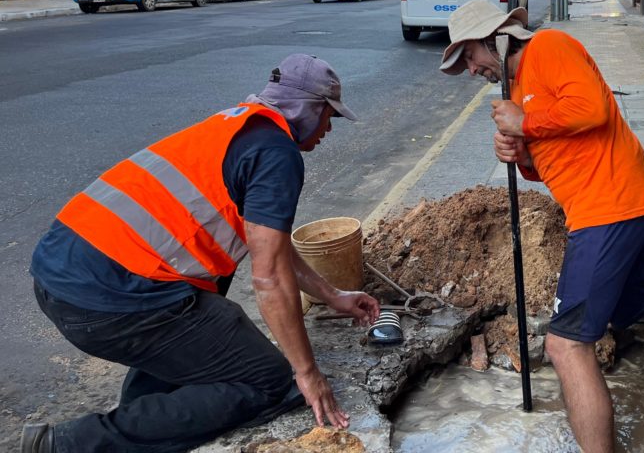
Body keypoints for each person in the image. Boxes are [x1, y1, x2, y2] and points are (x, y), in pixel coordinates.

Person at [23, 54, 380, 453]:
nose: (329, 128)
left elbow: (272, 248)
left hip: (62, 274)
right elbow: (269, 277)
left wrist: (332, 296)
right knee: (267, 381)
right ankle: (66, 445)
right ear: (308, 109)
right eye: (329, 115)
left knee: (205, 314)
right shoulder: (276, 154)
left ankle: (141, 414)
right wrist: (307, 372)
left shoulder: (234, 125)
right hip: (108, 296)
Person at [440, 0, 644, 453]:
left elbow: (592, 109)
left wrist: (525, 122)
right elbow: (556, 158)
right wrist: (522, 154)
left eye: (470, 56)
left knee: (565, 347)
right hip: (624, 206)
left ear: (494, 39)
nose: (472, 70)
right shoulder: (519, 87)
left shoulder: (548, 47)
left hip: (606, 211)